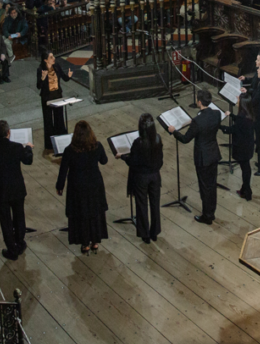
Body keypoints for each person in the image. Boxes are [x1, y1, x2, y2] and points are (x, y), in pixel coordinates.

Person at [0, 120, 34, 260]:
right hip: (17, 189)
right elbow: (28, 160)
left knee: (5, 221)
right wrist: (28, 148)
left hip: (0, 190)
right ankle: (20, 243)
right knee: (19, 216)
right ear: (8, 132)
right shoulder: (17, 147)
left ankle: (11, 249)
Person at [168, 90, 222, 225]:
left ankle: (207, 216)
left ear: (199, 102)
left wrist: (174, 132)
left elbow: (185, 139)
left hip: (203, 158)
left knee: (204, 188)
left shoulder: (197, 121)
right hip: (213, 153)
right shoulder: (217, 114)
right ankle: (211, 212)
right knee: (212, 185)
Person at [56, 121, 109, 254]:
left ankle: (85, 243)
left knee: (81, 213)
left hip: (77, 186)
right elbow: (104, 161)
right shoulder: (97, 146)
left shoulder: (69, 150)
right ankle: (95, 241)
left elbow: (63, 170)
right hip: (94, 184)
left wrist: (60, 186)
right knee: (95, 212)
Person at [117, 113, 164, 243]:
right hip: (155, 176)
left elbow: (132, 162)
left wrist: (122, 156)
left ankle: (145, 234)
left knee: (142, 205)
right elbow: (160, 161)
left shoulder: (138, 143)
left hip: (141, 177)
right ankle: (154, 232)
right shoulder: (158, 139)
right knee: (155, 204)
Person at [219, 96, 255, 200]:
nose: (237, 100)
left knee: (245, 168)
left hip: (242, 147)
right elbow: (241, 122)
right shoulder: (249, 114)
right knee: (246, 167)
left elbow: (230, 130)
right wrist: (231, 115)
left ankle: (247, 191)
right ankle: (245, 190)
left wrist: (218, 126)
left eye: (238, 99)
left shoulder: (242, 118)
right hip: (248, 145)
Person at [37, 50, 73, 151]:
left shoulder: (56, 66)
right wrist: (43, 78)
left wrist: (69, 76)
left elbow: (64, 77)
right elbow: (38, 86)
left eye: (53, 56)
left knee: (59, 119)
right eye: (51, 57)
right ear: (45, 60)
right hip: (47, 98)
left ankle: (62, 141)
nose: (54, 58)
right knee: (48, 121)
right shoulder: (40, 69)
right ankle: (50, 145)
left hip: (57, 96)